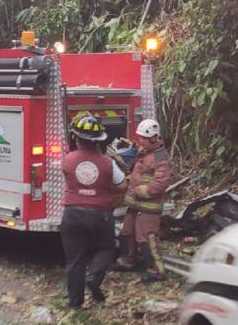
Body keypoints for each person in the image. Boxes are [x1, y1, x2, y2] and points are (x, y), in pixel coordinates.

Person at [61, 114, 126, 309]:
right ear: (98, 141)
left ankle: (74, 305)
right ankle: (94, 276)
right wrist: (103, 190)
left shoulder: (68, 159)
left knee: (75, 260)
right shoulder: (108, 162)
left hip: (72, 214)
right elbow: (122, 185)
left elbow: (69, 178)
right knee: (107, 248)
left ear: (76, 138)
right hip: (100, 214)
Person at [113, 118, 172, 282]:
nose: (140, 141)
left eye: (143, 138)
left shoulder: (160, 157)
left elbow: (160, 183)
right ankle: (128, 261)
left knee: (146, 237)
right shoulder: (143, 151)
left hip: (148, 205)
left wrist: (142, 191)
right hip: (135, 203)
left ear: (153, 138)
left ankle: (156, 270)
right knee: (127, 232)